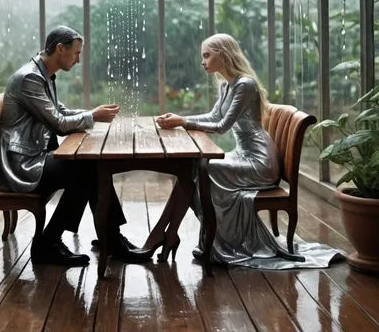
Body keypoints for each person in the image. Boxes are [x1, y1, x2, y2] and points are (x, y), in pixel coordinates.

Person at [143, 33, 343, 269]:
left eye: (207, 55)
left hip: (260, 162)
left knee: (201, 169)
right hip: (244, 155)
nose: (202, 61)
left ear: (224, 54)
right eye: (202, 56)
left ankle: (162, 235)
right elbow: (214, 116)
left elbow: (221, 126)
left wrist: (182, 122)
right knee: (192, 168)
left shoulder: (244, 84)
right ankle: (167, 234)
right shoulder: (227, 85)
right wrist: (181, 119)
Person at [0, 25, 152, 266]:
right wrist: (93, 117)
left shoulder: (42, 74)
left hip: (34, 155)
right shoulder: (30, 78)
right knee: (87, 170)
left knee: (92, 167)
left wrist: (91, 114)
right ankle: (49, 243)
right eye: (76, 53)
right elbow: (58, 123)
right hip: (22, 165)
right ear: (60, 49)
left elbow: (58, 111)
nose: (78, 60)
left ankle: (110, 238)